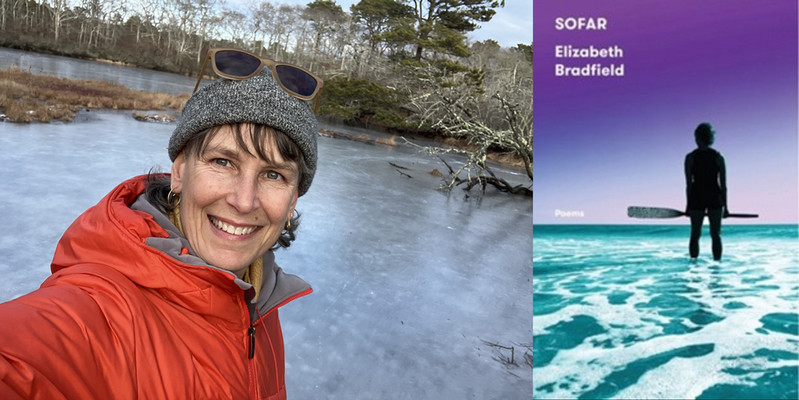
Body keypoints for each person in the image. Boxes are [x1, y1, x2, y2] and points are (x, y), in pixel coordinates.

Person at [0, 48, 323, 399]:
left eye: (273, 174)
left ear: (292, 201)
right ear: (181, 172)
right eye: (223, 162)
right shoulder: (102, 309)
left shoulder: (259, 297)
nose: (244, 201)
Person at [685, 122, 728, 261]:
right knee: (716, 234)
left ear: (698, 137)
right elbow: (723, 185)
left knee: (695, 234)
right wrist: (726, 208)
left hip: (697, 198)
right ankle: (717, 268)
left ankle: (693, 268)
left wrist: (688, 206)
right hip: (715, 197)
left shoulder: (690, 158)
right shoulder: (718, 157)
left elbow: (688, 185)